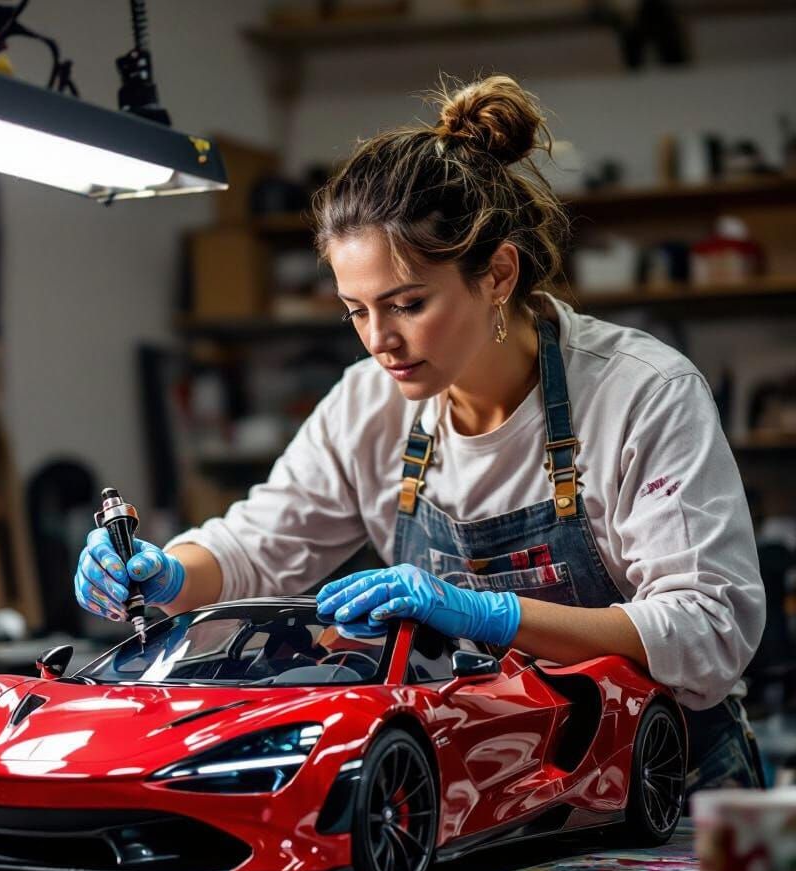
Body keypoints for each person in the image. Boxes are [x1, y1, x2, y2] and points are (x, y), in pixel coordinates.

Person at [75, 74, 766, 794]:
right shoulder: (368, 406)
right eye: (357, 311)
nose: (381, 341)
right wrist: (173, 572)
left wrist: (490, 616)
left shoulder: (641, 394)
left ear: (498, 274)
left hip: (665, 785)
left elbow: (709, 633)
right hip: (492, 786)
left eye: (406, 304)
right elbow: (257, 547)